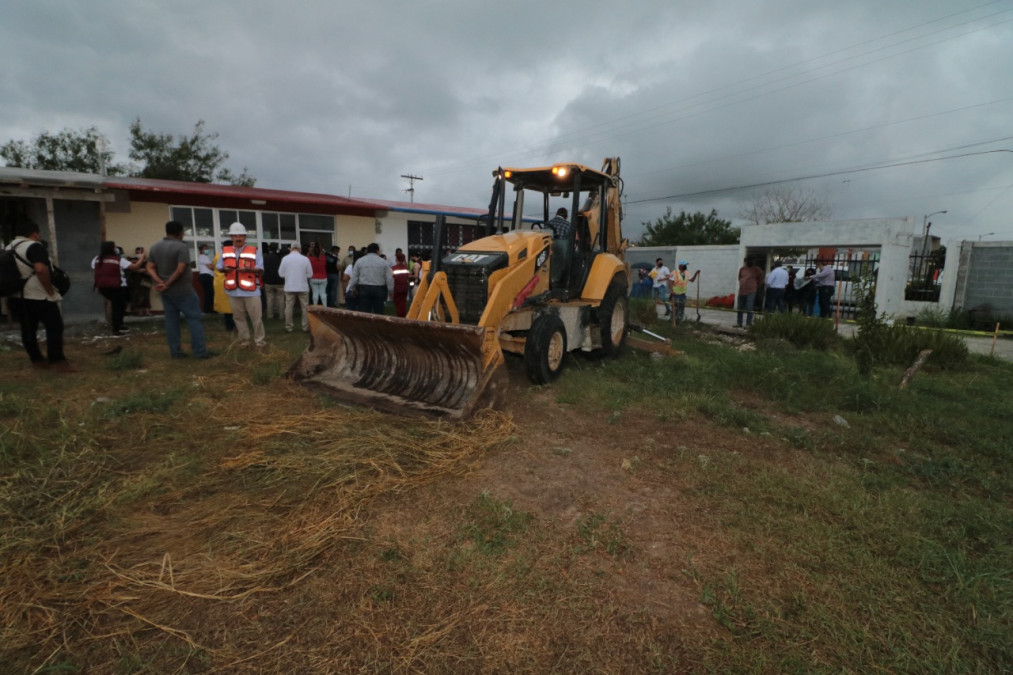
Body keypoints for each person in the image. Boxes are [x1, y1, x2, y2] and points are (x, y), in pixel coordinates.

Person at [5, 219, 75, 371]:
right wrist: (49, 290)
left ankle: (36, 360)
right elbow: (40, 269)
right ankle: (57, 361)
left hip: (17, 296)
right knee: (55, 326)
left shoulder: (9, 247)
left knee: (28, 329)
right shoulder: (34, 246)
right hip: (38, 295)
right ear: (35, 233)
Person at [146, 220, 214, 359]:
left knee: (171, 322)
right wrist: (168, 283)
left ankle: (176, 352)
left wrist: (160, 281)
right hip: (183, 290)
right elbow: (180, 269)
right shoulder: (181, 247)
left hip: (166, 293)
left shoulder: (155, 247)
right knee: (194, 320)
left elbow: (150, 267)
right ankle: (200, 353)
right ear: (180, 233)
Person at [217, 223, 266, 348]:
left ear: (245, 237)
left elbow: (260, 269)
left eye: (240, 236)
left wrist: (248, 269)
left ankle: (259, 341)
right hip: (234, 291)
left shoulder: (254, 251)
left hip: (251, 291)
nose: (238, 238)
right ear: (231, 237)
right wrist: (224, 269)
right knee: (238, 318)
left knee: (256, 318)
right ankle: (244, 341)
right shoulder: (225, 251)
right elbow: (219, 267)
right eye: (235, 236)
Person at [92, 240, 146, 335]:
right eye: (115, 247)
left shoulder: (96, 259)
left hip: (103, 287)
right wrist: (142, 257)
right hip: (118, 287)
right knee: (117, 307)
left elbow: (96, 272)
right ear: (111, 249)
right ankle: (116, 329)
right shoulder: (118, 260)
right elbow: (135, 267)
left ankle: (119, 324)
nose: (116, 249)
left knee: (123, 302)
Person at [346, 242, 394, 315]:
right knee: (379, 312)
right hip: (379, 289)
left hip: (364, 289)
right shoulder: (383, 262)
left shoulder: (360, 261)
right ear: (377, 251)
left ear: (367, 251)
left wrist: (352, 288)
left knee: (365, 313)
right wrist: (391, 290)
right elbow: (389, 278)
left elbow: (354, 277)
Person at [278, 241, 313, 332]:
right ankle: (305, 327)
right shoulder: (305, 259)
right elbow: (310, 274)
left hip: (289, 287)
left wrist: (288, 276)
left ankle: (289, 327)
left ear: (290, 249)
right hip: (303, 287)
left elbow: (281, 274)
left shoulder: (285, 259)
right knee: (305, 308)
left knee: (289, 307)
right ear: (300, 250)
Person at [736, 257, 764, 327]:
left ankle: (748, 323)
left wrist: (754, 286)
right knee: (740, 308)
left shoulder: (757, 270)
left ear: (754, 261)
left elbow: (761, 280)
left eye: (751, 261)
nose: (749, 262)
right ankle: (739, 323)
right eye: (748, 261)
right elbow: (739, 278)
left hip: (751, 291)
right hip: (742, 291)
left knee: (749, 307)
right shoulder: (742, 269)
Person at [669, 260, 700, 324]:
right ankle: (672, 319)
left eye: (686, 265)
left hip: (683, 293)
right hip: (675, 293)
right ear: (680, 266)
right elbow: (670, 282)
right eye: (684, 265)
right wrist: (672, 290)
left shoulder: (686, 273)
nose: (686, 266)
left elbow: (692, 280)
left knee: (681, 307)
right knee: (675, 307)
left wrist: (696, 273)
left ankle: (679, 319)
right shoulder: (675, 272)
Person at [262, 243, 284, 319]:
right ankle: (281, 315)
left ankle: (270, 315)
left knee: (269, 299)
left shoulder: (265, 257)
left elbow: (263, 269)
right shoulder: (280, 257)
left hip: (268, 281)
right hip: (280, 280)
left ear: (269, 249)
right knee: (280, 298)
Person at [306, 241, 327, 305]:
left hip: (313, 278)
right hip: (323, 278)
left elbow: (306, 258)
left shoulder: (310, 259)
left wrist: (310, 251)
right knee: (323, 293)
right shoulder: (323, 258)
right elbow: (323, 253)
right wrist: (321, 250)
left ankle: (315, 306)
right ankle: (325, 306)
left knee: (315, 293)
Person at [391, 252, 411, 317]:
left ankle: (399, 317)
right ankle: (404, 315)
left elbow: (391, 278)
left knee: (398, 303)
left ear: (397, 259)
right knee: (403, 303)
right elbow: (408, 276)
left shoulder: (393, 268)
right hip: (405, 287)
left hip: (397, 287)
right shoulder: (406, 268)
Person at [197, 243, 215, 313]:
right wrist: (215, 266)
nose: (207, 250)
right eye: (205, 249)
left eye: (207, 249)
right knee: (210, 293)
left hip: (203, 276)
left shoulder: (201, 257)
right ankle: (209, 309)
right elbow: (210, 267)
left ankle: (207, 309)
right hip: (207, 276)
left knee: (208, 293)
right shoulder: (204, 257)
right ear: (201, 250)